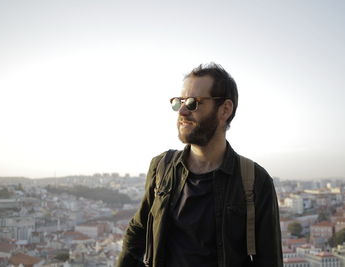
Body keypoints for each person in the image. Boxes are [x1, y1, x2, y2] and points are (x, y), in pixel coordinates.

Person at [117, 63, 283, 267]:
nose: (182, 111)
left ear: (225, 110)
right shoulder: (161, 167)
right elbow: (138, 231)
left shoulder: (255, 181)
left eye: (193, 103)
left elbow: (268, 261)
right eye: (178, 102)